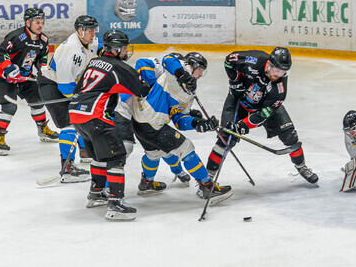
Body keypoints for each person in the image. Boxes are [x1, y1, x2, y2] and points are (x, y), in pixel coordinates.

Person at [124, 52, 233, 202]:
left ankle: (147, 183)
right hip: (151, 122)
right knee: (186, 147)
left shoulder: (190, 91)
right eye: (200, 69)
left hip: (142, 123)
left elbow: (179, 120)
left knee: (153, 154)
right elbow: (168, 59)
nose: (201, 74)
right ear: (192, 65)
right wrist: (183, 75)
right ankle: (207, 186)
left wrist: (198, 123)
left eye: (203, 71)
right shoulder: (177, 70)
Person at [69, 30, 151, 221]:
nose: (126, 51)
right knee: (117, 156)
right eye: (124, 48)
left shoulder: (93, 62)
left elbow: (77, 89)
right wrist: (149, 79)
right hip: (96, 116)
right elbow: (142, 91)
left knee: (99, 156)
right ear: (115, 49)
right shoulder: (119, 67)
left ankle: (96, 193)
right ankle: (116, 203)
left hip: (76, 114)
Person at [205, 47, 319, 184]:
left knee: (290, 136)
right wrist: (235, 81)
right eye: (277, 70)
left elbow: (263, 115)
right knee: (225, 138)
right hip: (238, 100)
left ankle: (301, 167)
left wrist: (242, 125)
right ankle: (207, 179)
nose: (279, 75)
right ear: (269, 64)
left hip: (262, 107)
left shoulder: (280, 88)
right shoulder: (254, 59)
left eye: (283, 72)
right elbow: (229, 61)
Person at [38, 15, 102, 183]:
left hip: (68, 84)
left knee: (83, 117)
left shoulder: (89, 41)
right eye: (90, 31)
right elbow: (65, 87)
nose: (93, 34)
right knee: (69, 124)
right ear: (80, 31)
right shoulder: (71, 50)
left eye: (94, 30)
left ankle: (85, 150)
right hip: (53, 86)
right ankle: (67, 168)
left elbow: (101, 45)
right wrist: (83, 99)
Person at [0, 7, 59, 156]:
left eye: (42, 22)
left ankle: (42, 129)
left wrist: (44, 73)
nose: (40, 25)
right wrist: (9, 68)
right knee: (9, 107)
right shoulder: (17, 37)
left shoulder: (43, 40)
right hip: (4, 78)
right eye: (37, 22)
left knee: (38, 101)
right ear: (28, 22)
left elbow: (42, 61)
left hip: (25, 77)